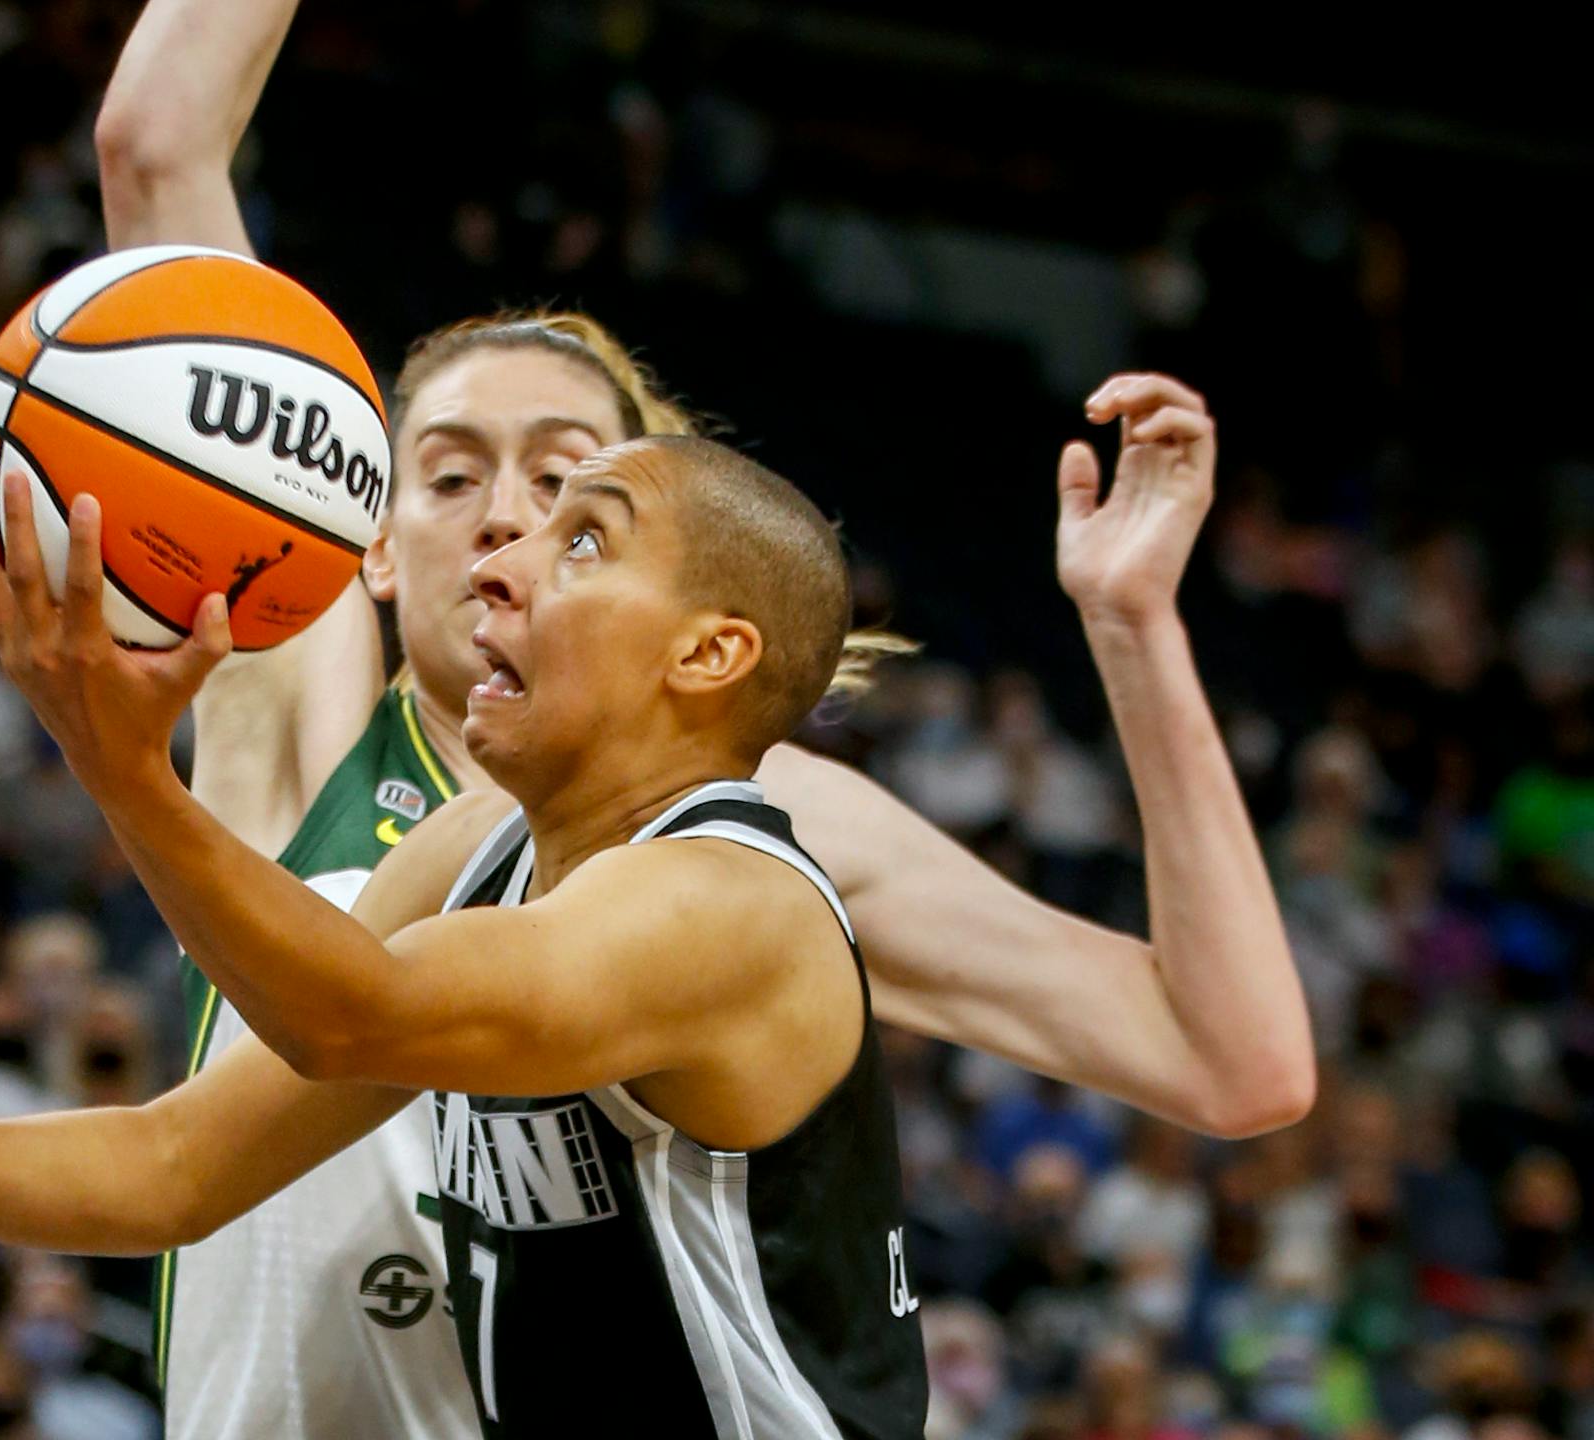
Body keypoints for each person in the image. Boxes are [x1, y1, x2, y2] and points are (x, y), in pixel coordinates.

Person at [79, 5, 1315, 1436]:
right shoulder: (305, 695)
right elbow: (153, 149)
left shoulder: (753, 833)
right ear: (368, 542)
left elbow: (1232, 1059)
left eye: (568, 487)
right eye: (450, 474)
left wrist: (1136, 627)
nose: (506, 517)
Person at [0, 381, 1306, 1436]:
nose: (503, 554)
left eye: (581, 539)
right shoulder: (471, 848)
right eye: (492, 516)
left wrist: (122, 770)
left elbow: (349, 1014)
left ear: (709, 653)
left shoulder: (731, 906)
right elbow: (178, 1167)